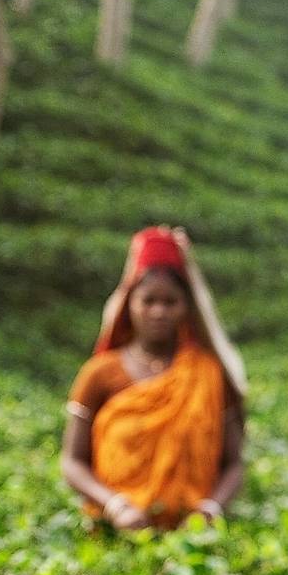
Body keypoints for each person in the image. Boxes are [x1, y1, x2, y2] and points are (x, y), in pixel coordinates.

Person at [60, 226, 247, 530]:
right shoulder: (99, 374)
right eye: (148, 301)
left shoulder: (209, 373)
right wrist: (115, 505)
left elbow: (234, 462)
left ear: (186, 307)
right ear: (129, 304)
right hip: (114, 531)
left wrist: (210, 511)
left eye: (170, 302)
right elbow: (72, 461)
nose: (159, 312)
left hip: (194, 538)